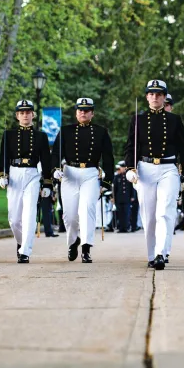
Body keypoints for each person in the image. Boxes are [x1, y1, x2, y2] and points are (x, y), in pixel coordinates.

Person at [124, 80, 184, 270]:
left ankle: (161, 253)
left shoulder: (174, 120)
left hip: (168, 168)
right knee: (149, 215)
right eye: (152, 94)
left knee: (165, 211)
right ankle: (151, 254)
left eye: (159, 94)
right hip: (145, 167)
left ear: (164, 97)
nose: (155, 97)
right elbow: (131, 147)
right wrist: (130, 168)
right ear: (147, 97)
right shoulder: (138, 120)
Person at [52, 98, 114, 263]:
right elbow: (56, 154)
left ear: (92, 113)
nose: (83, 112)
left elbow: (108, 158)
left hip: (91, 173)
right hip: (70, 173)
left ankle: (86, 247)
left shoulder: (101, 132)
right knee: (70, 215)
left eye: (87, 110)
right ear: (76, 112)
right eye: (80, 110)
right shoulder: (65, 131)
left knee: (88, 209)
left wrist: (107, 182)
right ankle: (73, 241)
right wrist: (55, 169)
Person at [0, 100, 53, 263]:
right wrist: (3, 175)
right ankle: (21, 241)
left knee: (29, 214)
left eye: (28, 112)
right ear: (17, 116)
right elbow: (4, 157)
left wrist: (48, 183)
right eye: (22, 113)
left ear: (33, 115)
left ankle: (25, 251)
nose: (25, 115)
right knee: (14, 219)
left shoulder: (41, 136)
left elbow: (46, 161)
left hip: (32, 174)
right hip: (14, 173)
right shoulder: (9, 135)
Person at [113, 160, 133, 233]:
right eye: (121, 167)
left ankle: (126, 227)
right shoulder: (117, 177)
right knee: (120, 214)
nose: (122, 169)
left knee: (127, 214)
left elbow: (132, 187)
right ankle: (121, 228)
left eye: (123, 167)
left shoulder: (128, 176)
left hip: (127, 198)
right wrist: (113, 198)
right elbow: (114, 189)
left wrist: (132, 196)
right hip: (119, 198)